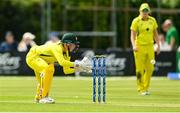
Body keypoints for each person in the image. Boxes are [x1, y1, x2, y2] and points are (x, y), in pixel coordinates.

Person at [26, 33, 91, 104]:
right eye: (74, 44)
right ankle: (43, 97)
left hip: (43, 60)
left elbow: (66, 70)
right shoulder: (57, 48)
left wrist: (80, 69)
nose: (75, 46)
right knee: (49, 69)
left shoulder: (67, 52)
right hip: (33, 56)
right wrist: (78, 64)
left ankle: (39, 97)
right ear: (67, 44)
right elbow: (62, 62)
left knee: (44, 77)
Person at [130, 3, 160, 95]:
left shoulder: (152, 20)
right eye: (143, 11)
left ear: (149, 11)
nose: (145, 12)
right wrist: (134, 46)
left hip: (150, 47)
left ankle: (146, 88)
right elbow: (132, 36)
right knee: (139, 69)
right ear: (140, 11)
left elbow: (155, 34)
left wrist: (158, 45)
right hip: (139, 47)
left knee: (150, 68)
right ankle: (141, 88)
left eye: (146, 11)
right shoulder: (136, 21)